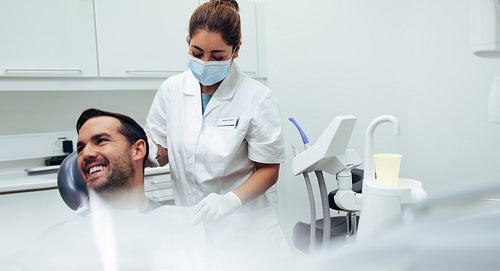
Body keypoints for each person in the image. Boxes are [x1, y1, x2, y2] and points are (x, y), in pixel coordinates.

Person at [145, 0, 286, 243]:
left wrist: (230, 200)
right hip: (191, 225)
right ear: (188, 43)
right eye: (196, 53)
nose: (205, 63)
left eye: (217, 56)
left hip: (245, 230)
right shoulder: (172, 90)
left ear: (236, 49)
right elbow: (164, 151)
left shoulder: (257, 98)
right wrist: (144, 153)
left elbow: (269, 170)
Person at [75, 108, 159, 211]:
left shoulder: (177, 220)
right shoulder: (72, 227)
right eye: (81, 149)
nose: (86, 153)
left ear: (138, 150)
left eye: (101, 141)